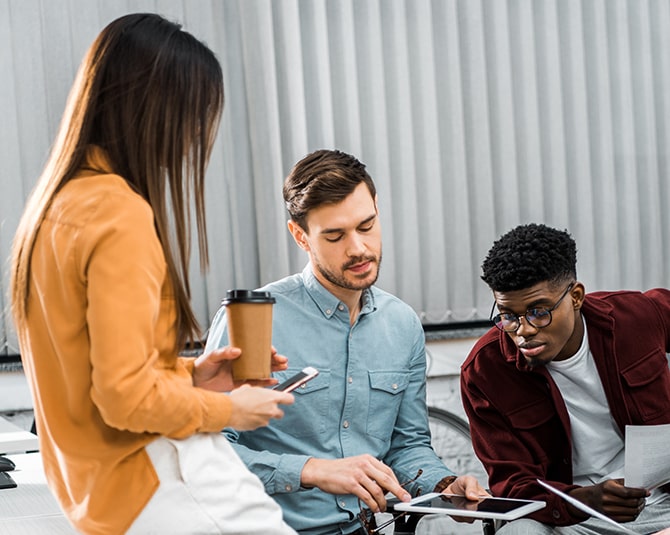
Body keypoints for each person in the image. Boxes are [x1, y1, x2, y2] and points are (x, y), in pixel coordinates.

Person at [10, 13, 297, 535]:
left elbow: (95, 373)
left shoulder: (53, 208)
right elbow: (126, 399)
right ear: (151, 104)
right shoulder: (120, 213)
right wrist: (233, 410)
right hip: (159, 477)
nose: (196, 135)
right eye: (194, 113)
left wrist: (191, 375)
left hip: (99, 496)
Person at [205, 149, 487, 535]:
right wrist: (311, 471)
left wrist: (443, 485)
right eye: (335, 236)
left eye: (367, 226)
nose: (357, 248)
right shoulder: (253, 321)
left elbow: (408, 446)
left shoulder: (402, 324)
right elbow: (208, 451)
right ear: (300, 236)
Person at [460, 223, 670, 534]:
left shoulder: (636, 317)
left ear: (575, 296)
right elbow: (513, 485)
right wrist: (584, 500)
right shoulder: (485, 372)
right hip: (571, 521)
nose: (524, 330)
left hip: (662, 506)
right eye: (508, 315)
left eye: (538, 311)